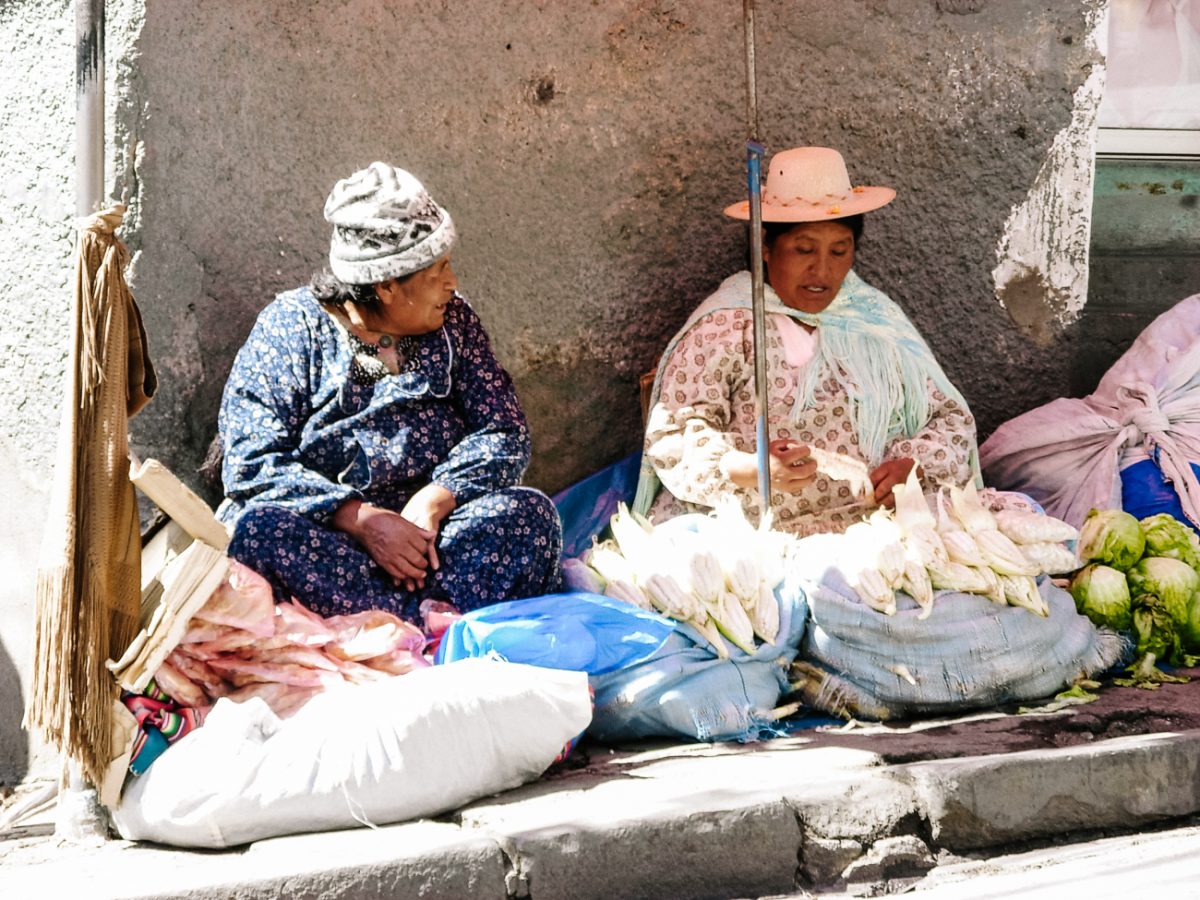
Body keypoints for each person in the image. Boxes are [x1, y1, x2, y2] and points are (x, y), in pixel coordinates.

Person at [218, 162, 562, 620]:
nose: (452, 283)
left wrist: (436, 498)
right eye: (437, 271)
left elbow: (504, 431)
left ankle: (401, 628)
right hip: (337, 547)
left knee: (529, 517)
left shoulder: (453, 322)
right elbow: (249, 462)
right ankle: (426, 626)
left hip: (433, 548)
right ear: (385, 287)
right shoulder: (291, 328)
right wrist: (362, 520)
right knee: (257, 532)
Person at [636, 147, 980, 536]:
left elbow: (951, 419)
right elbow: (675, 434)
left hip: (874, 531)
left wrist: (911, 466)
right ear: (765, 245)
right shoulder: (728, 327)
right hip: (753, 533)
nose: (822, 270)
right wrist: (753, 470)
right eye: (804, 250)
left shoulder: (875, 324)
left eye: (839, 251)